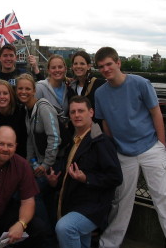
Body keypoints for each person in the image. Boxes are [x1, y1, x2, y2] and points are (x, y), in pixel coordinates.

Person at [94, 47, 166, 248]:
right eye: (101, 66)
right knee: (120, 203)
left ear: (118, 63)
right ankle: (109, 244)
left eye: (109, 64)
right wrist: (114, 149)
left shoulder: (140, 83)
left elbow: (155, 113)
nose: (105, 69)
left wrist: (161, 144)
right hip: (123, 153)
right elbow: (106, 125)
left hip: (150, 148)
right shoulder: (100, 94)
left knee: (165, 201)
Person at [46, 96, 122, 248]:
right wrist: (55, 181)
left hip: (92, 207)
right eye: (73, 112)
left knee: (65, 228)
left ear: (91, 112)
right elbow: (70, 172)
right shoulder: (75, 140)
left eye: (81, 111)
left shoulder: (100, 142)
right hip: (76, 203)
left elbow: (115, 177)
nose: (76, 115)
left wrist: (86, 178)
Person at [16, 73, 61, 242]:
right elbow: (30, 139)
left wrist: (46, 164)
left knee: (32, 192)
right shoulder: (27, 110)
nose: (23, 92)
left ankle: (47, 237)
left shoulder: (43, 107)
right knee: (45, 198)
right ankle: (51, 232)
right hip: (41, 163)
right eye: (20, 88)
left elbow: (55, 137)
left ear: (34, 90)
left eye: (27, 88)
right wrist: (30, 163)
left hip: (55, 163)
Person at [0, 79, 27, 157]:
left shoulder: (21, 112)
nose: (2, 97)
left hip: (18, 157)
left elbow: (24, 141)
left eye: (5, 93)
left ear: (10, 95)